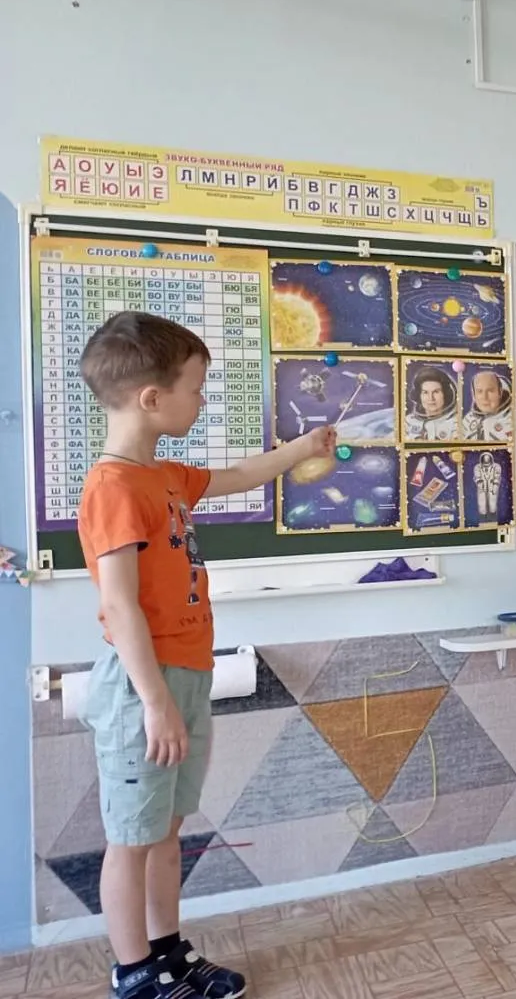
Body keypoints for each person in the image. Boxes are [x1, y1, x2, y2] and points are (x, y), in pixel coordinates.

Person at [76, 311, 335, 999]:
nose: (201, 400)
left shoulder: (162, 475)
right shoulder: (113, 487)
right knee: (131, 839)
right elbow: (120, 607)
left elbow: (243, 473)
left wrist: (304, 445)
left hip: (183, 676)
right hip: (144, 687)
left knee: (165, 829)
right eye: (195, 389)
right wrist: (155, 702)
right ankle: (134, 972)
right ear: (151, 398)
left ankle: (167, 952)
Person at [404, 365, 460, 441]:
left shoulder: (456, 424)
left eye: (436, 392)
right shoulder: (408, 422)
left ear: (446, 394)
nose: (431, 398)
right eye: (425, 392)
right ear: (419, 395)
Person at [462, 367, 513, 443]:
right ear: (474, 395)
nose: (484, 397)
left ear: (500, 392)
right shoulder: (467, 421)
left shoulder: (512, 419)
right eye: (479, 391)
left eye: (490, 391)